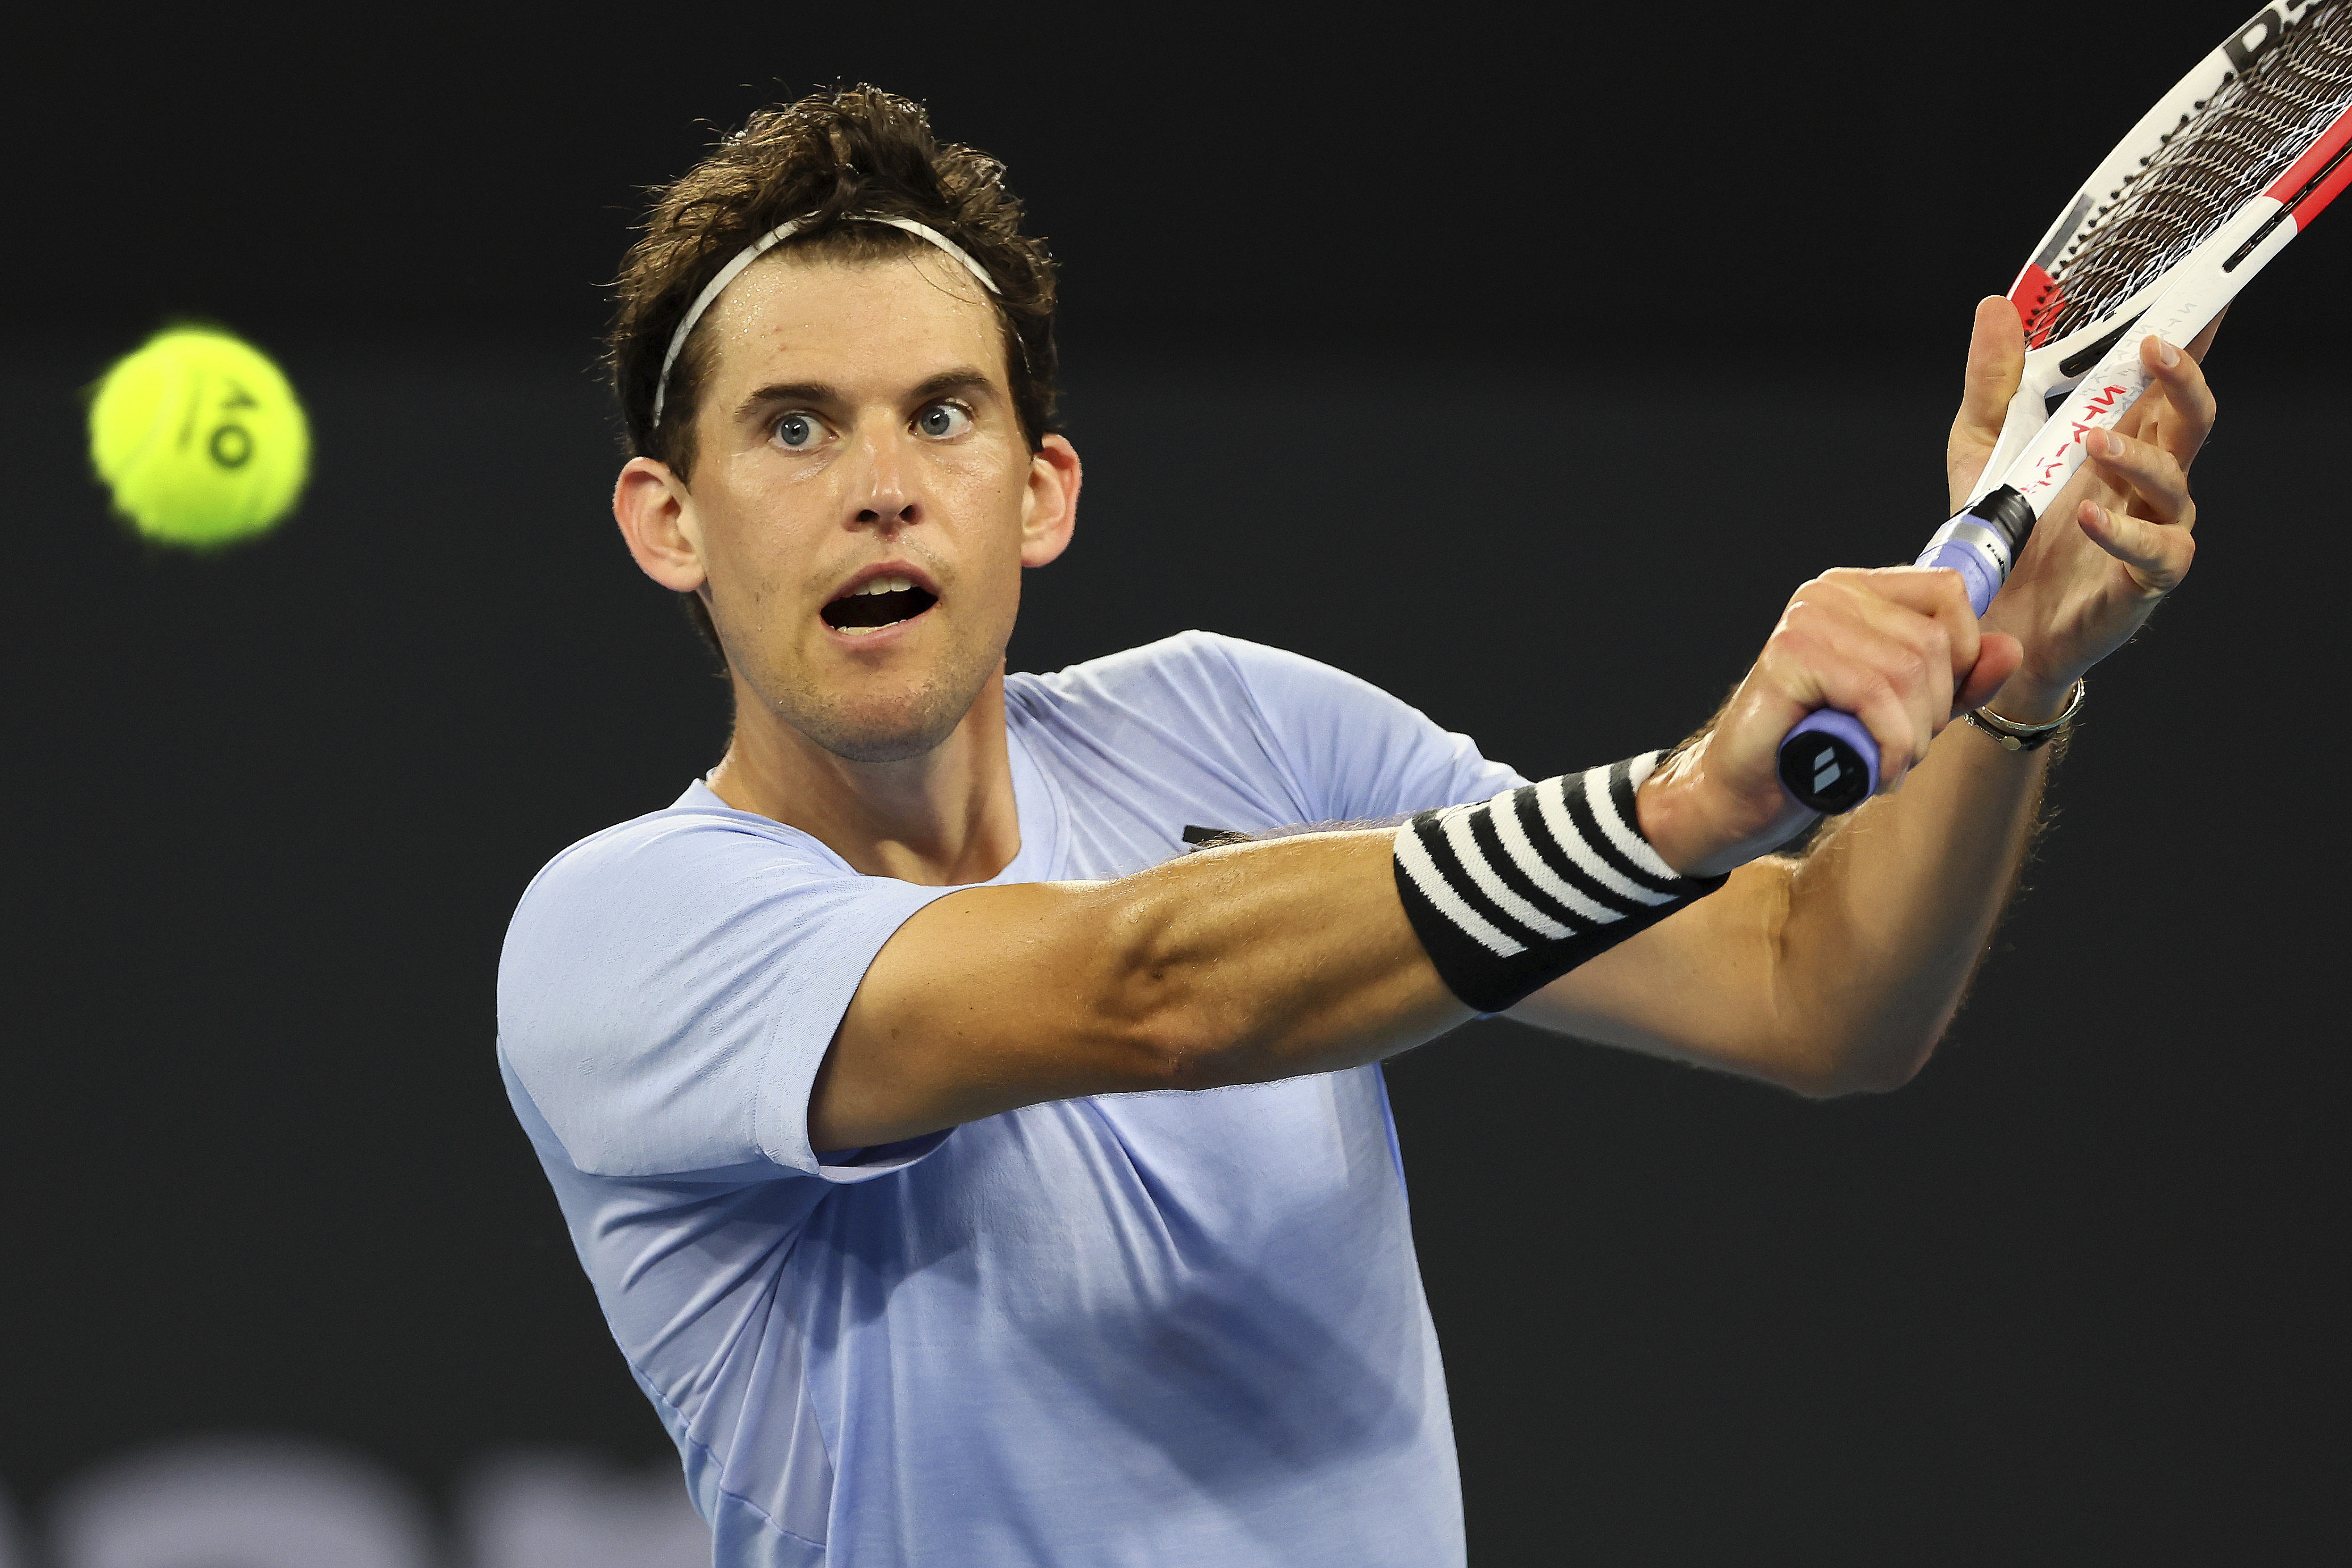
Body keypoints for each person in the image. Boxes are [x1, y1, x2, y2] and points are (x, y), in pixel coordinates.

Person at [497, 87, 2216, 1567]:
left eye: (942, 414)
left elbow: (1815, 987)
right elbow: (1142, 993)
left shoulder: (1243, 726)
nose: (880, 481)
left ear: (1040, 493)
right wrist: (1691, 801)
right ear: (669, 522)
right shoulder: (620, 935)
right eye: (793, 428)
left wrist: (2015, 686)